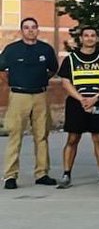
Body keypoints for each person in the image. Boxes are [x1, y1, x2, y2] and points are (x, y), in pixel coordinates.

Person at [1, 18, 61, 188]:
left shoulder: (46, 49)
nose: (30, 30)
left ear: (38, 30)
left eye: (33, 27)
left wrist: (40, 80)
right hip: (19, 95)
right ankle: (10, 176)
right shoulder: (12, 50)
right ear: (22, 30)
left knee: (41, 135)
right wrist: (13, 81)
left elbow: (53, 69)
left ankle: (42, 173)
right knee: (15, 135)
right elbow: (1, 70)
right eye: (26, 28)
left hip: (40, 95)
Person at [56, 26, 99, 188]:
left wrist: (96, 98)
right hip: (76, 102)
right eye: (86, 35)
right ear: (81, 38)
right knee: (73, 138)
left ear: (97, 39)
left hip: (98, 101)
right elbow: (65, 82)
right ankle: (66, 174)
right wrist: (82, 99)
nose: (89, 38)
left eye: (93, 35)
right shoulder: (71, 58)